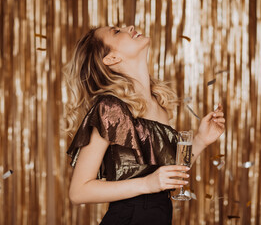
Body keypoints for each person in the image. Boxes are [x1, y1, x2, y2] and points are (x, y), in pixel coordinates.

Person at [65, 25, 225, 225]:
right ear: (111, 58)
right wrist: (148, 184)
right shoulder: (110, 108)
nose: (129, 27)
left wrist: (201, 140)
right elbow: (78, 192)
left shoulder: (158, 105)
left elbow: (167, 175)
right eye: (116, 31)